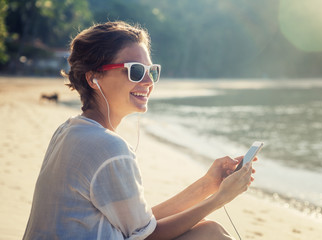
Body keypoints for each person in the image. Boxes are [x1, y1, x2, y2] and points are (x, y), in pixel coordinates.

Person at [23, 21, 256, 240]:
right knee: (209, 233)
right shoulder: (108, 147)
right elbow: (147, 235)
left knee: (205, 227)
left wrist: (209, 183)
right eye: (135, 71)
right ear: (94, 78)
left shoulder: (69, 130)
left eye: (151, 71)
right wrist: (221, 198)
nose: (148, 81)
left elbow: (140, 224)